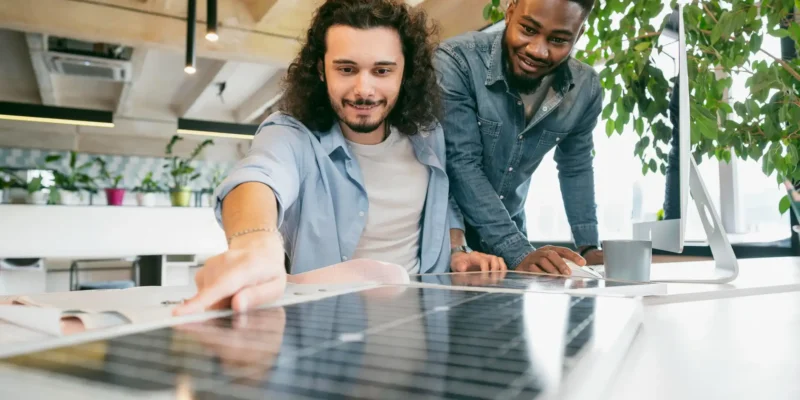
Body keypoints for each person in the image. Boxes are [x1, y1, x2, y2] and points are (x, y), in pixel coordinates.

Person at [174, 0, 503, 316]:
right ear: (321, 70)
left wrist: (458, 249)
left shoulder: (427, 133)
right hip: (328, 338)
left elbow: (440, 203)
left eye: (382, 70)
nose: (364, 89)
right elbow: (260, 175)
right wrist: (254, 244)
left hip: (426, 332)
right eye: (347, 69)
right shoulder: (293, 134)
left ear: (405, 72)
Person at [435, 0, 605, 275]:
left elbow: (576, 167)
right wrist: (518, 250)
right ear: (510, 11)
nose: (538, 50)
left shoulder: (586, 89)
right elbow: (461, 163)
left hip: (511, 232)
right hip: (451, 240)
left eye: (559, 40)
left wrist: (587, 247)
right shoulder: (457, 61)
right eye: (527, 29)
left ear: (579, 34)